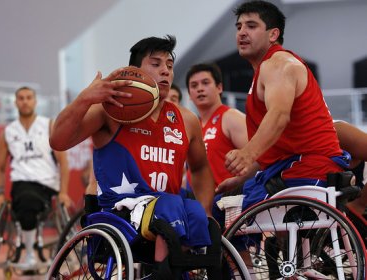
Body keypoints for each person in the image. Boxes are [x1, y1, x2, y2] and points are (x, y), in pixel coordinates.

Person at [49, 35, 217, 278]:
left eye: (169, 66)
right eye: (156, 64)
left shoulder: (187, 120)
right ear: (135, 72)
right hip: (121, 214)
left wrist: (205, 209)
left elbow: (200, 168)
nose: (165, 72)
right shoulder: (111, 111)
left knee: (194, 212)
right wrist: (86, 97)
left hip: (166, 216)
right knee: (170, 206)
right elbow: (58, 140)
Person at [220, 0, 349, 210]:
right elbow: (276, 149)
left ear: (273, 35)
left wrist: (247, 153)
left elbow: (279, 116)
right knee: (226, 203)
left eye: (251, 26)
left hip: (307, 168)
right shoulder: (265, 70)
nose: (242, 32)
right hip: (293, 166)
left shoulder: (278, 64)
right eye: (239, 27)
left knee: (223, 210)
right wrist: (240, 178)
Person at [0, 86, 70, 269]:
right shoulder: (8, 132)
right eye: (21, 98)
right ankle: (29, 255)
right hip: (21, 184)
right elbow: (0, 167)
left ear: (35, 101)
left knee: (29, 200)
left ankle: (30, 252)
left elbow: (63, 161)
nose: (25, 101)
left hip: (46, 184)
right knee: (25, 199)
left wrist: (64, 192)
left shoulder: (48, 125)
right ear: (15, 103)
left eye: (29, 97)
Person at [186, 62, 250, 191]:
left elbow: (258, 159)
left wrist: (238, 182)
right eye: (194, 85)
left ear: (219, 87)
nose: (200, 89)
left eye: (205, 83)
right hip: (197, 204)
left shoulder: (231, 117)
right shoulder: (193, 127)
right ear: (189, 95)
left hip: (228, 201)